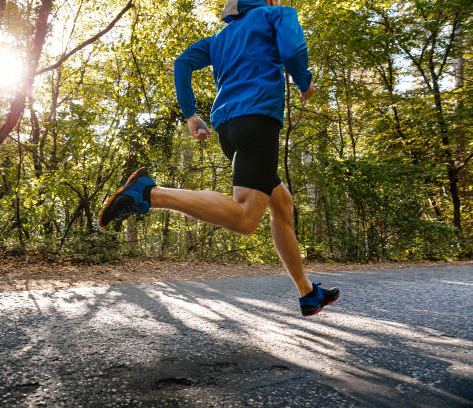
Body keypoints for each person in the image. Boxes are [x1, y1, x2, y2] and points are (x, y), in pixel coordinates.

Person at [99, 0, 339, 316]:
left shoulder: (219, 40)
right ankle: (148, 193)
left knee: (282, 205)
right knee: (244, 217)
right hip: (258, 121)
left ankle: (307, 293)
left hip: (228, 128)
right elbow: (292, 53)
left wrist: (190, 116)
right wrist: (304, 81)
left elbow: (182, 62)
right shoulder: (277, 14)